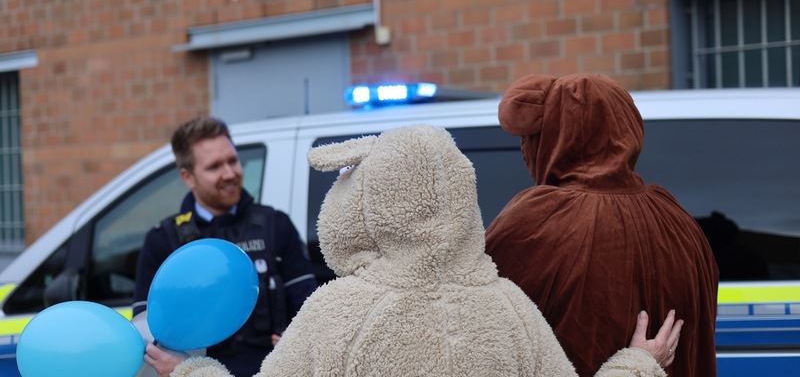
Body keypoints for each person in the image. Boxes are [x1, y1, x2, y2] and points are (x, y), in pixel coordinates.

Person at [143, 124, 682, 377]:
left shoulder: (337, 312)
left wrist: (189, 374)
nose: (230, 172)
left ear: (366, 205)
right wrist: (639, 364)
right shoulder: (510, 307)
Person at [485, 73, 719, 377]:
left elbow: (482, 333)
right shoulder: (678, 219)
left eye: (531, 139)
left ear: (552, 140)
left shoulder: (533, 220)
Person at [133, 115, 318, 377]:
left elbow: (309, 308)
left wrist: (298, 337)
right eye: (215, 167)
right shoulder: (163, 241)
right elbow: (149, 334)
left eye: (232, 160)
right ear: (188, 177)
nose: (230, 173)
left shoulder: (276, 225)